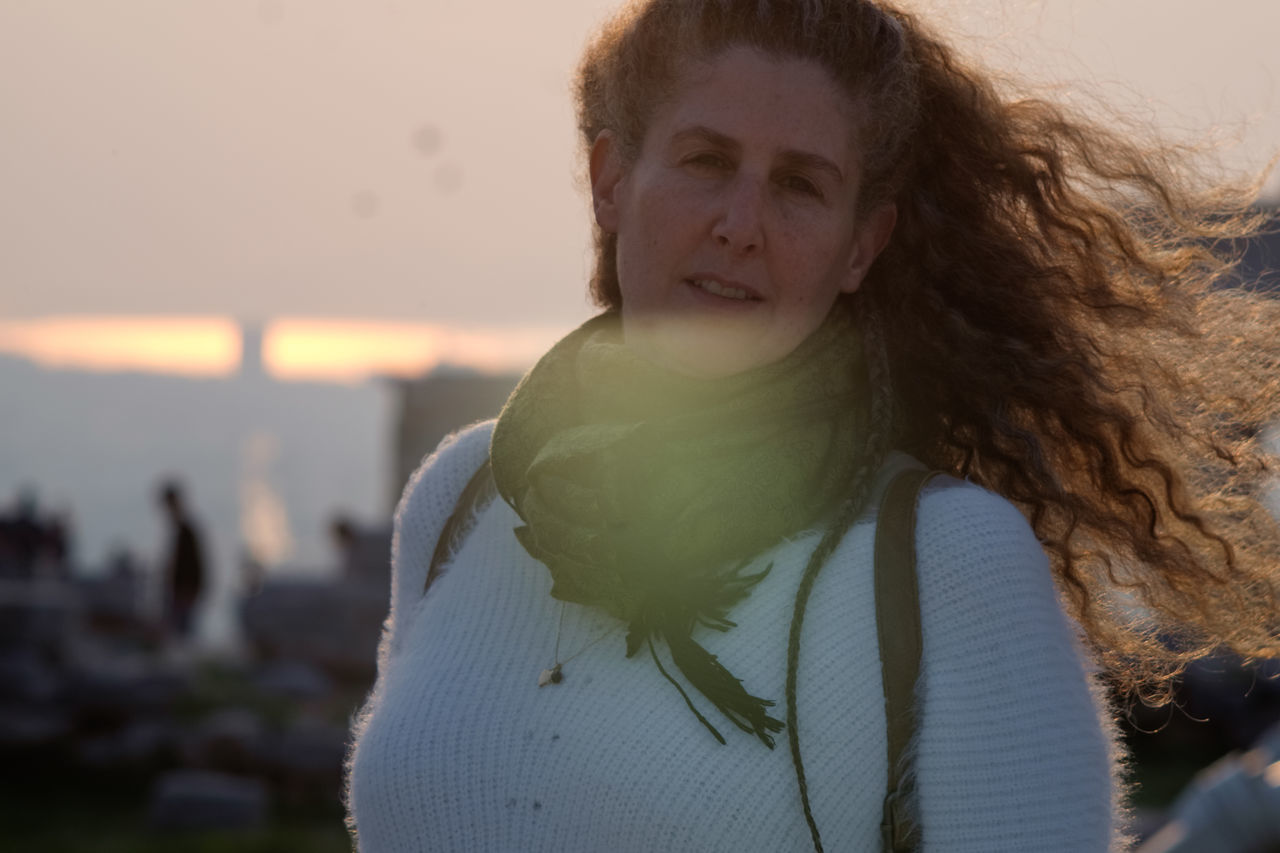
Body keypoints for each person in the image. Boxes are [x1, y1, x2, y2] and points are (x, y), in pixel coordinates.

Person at [345, 1, 1280, 850]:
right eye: (707, 161)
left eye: (798, 185)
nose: (740, 223)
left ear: (859, 248)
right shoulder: (463, 496)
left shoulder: (950, 562)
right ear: (609, 180)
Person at [157, 479, 206, 640]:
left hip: (184, 594)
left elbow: (197, 565)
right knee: (178, 635)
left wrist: (191, 591)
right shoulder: (180, 531)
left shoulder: (186, 531)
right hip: (179, 594)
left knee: (183, 637)